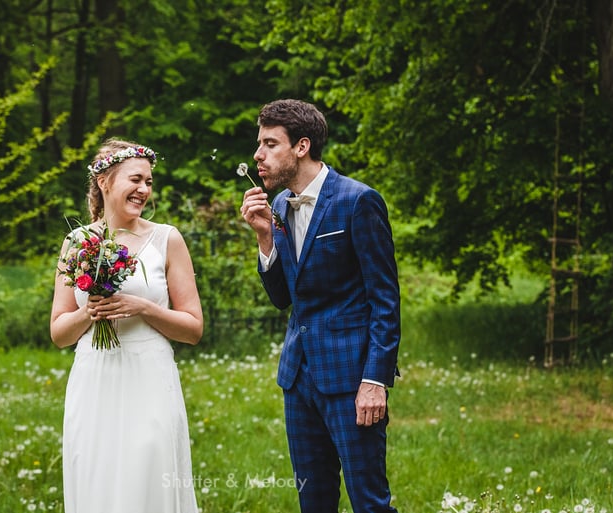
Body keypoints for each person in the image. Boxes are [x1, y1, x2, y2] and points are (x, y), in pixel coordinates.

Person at [240, 99, 401, 513]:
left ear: (301, 146)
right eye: (259, 144)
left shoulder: (358, 201)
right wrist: (264, 240)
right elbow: (283, 299)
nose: (258, 154)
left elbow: (384, 300)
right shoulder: (277, 207)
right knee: (313, 501)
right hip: (298, 379)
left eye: (270, 143)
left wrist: (375, 381)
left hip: (351, 380)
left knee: (370, 502)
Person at [50, 137, 204, 513]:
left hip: (148, 377)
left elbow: (193, 327)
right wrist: (89, 313)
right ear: (105, 182)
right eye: (136, 180)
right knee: (97, 479)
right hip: (95, 380)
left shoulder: (167, 239)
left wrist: (143, 308)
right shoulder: (77, 242)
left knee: (148, 478)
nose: (144, 190)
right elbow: (58, 332)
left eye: (148, 182)